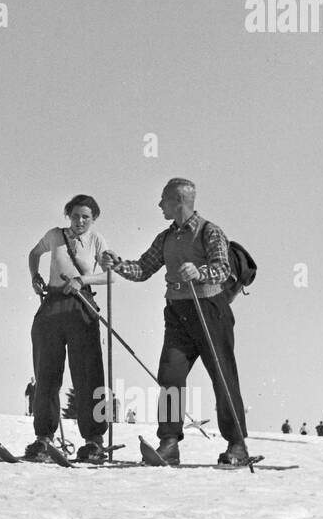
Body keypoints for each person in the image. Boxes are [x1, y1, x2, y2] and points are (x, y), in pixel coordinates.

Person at [101, 178, 249, 467]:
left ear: (179, 200)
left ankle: (237, 444)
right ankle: (169, 444)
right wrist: (117, 264)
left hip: (209, 309)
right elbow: (143, 268)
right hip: (177, 313)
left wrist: (200, 271)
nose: (159, 205)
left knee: (222, 376)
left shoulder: (210, 231)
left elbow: (222, 268)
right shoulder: (165, 238)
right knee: (170, 376)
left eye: (164, 200)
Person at [27, 194, 110, 462]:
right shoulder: (55, 235)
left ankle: (94, 441)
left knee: (88, 374)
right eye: (75, 215)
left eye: (86, 217)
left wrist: (81, 279)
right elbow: (34, 253)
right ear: (68, 216)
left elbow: (110, 275)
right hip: (52, 305)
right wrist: (35, 276)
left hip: (82, 305)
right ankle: (44, 439)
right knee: (46, 373)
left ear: (93, 219)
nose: (80, 221)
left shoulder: (97, 240)